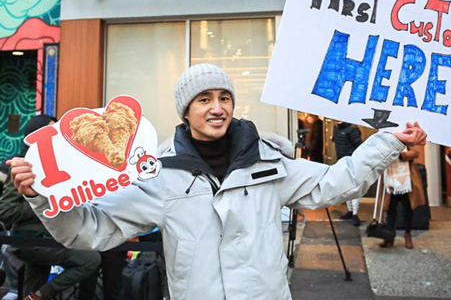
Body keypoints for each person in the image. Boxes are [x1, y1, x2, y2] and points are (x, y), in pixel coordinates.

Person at [10, 64, 427, 300]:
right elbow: (92, 230)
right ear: (186, 112)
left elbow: (340, 183)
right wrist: (42, 197)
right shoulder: (159, 174)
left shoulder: (270, 162)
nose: (217, 108)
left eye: (224, 98)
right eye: (204, 100)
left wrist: (388, 141)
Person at [0, 115, 101, 300]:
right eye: (50, 131)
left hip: (50, 237)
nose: (55, 136)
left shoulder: (58, 166)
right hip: (31, 240)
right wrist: (40, 204)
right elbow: (6, 210)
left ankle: (35, 296)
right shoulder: (23, 165)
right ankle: (42, 295)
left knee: (32, 286)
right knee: (90, 260)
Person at [378, 148, 425, 249]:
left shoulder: (407, 140)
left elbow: (415, 152)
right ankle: (389, 236)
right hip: (391, 181)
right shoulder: (386, 143)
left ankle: (408, 235)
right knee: (390, 210)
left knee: (408, 209)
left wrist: (402, 155)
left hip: (406, 181)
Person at [333, 121, 363, 226]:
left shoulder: (352, 129)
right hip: (342, 162)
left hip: (352, 162)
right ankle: (350, 211)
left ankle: (355, 213)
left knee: (354, 187)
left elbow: (359, 146)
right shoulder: (336, 128)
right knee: (345, 187)